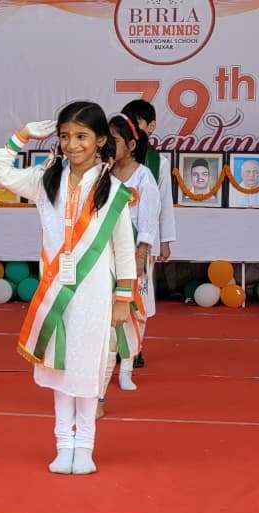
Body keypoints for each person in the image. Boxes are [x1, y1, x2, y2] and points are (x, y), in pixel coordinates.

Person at [0, 101, 138, 475]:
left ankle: (85, 446)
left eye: (82, 136)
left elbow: (124, 248)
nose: (72, 145)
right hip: (56, 290)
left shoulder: (113, 190)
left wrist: (123, 297)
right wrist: (21, 135)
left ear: (100, 140)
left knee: (86, 369)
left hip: (94, 293)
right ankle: (62, 444)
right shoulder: (46, 179)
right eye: (65, 136)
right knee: (59, 368)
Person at [103, 114, 160, 395]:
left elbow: (148, 220)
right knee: (105, 309)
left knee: (134, 312)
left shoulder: (143, 176)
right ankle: (103, 366)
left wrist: (140, 255)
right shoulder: (103, 174)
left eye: (114, 141)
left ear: (131, 145)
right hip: (105, 254)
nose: (109, 146)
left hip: (133, 254)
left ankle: (126, 368)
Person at [121, 100, 179, 370]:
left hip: (144, 242)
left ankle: (135, 348)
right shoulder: (114, 158)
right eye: (127, 122)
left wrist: (165, 240)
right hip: (113, 239)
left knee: (141, 295)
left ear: (151, 126)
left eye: (138, 122)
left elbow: (164, 203)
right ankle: (116, 345)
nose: (132, 127)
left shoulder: (159, 163)